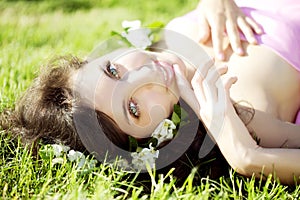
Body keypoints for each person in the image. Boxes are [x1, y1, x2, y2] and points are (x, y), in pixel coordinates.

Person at [1, 0, 300, 185]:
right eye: (133, 108)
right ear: (149, 143)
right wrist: (247, 156)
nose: (148, 73)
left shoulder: (170, 45)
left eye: (113, 70)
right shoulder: (242, 107)